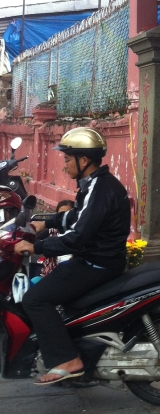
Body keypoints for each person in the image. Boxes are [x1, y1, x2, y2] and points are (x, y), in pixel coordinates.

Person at [14, 127, 130, 385]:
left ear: (84, 160)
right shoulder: (95, 184)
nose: (64, 165)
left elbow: (77, 237)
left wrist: (37, 248)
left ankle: (67, 360)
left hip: (97, 263)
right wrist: (46, 223)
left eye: (67, 159)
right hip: (96, 259)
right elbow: (78, 216)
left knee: (35, 299)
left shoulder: (100, 188)